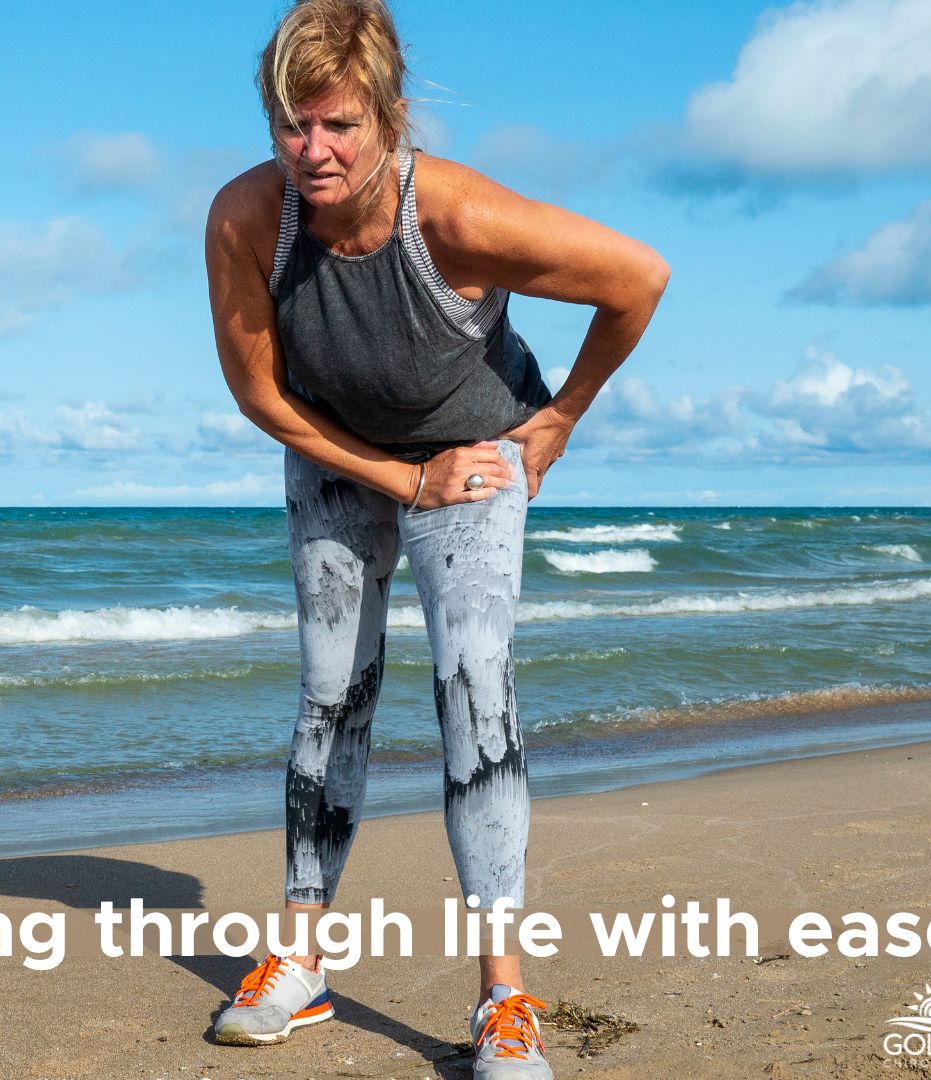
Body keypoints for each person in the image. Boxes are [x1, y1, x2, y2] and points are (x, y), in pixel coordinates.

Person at [202, 1, 669, 1075]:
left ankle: (503, 999)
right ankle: (302, 962)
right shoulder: (245, 219)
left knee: (472, 686)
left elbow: (638, 279)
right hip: (337, 449)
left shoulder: (454, 215)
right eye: (290, 125)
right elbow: (261, 394)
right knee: (330, 691)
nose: (311, 151)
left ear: (390, 116)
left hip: (473, 457)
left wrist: (554, 423)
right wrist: (395, 475)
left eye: (338, 126)